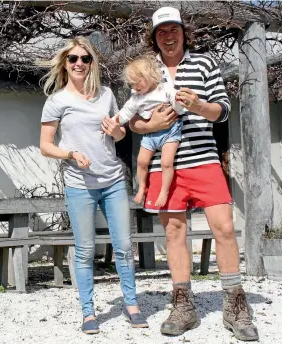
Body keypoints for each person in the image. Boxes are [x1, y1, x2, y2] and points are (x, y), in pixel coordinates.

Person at [129, 7, 259, 341]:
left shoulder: (203, 63)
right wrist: (151, 125)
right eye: (161, 32)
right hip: (163, 165)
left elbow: (223, 110)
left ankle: (235, 304)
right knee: (174, 233)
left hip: (203, 159)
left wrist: (199, 106)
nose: (168, 37)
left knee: (225, 228)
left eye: (173, 30)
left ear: (185, 33)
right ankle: (183, 304)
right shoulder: (147, 68)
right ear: (154, 37)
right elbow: (133, 119)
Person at [39, 36, 148, 334]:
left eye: (85, 59)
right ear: (65, 63)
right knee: (85, 250)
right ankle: (88, 313)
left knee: (125, 246)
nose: (78, 63)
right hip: (79, 184)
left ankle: (131, 304)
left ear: (92, 63)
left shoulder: (106, 94)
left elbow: (120, 135)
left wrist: (118, 131)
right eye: (73, 58)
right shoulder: (58, 100)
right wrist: (71, 154)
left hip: (113, 180)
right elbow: (45, 146)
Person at [110, 55, 185, 207]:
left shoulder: (164, 89)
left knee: (166, 163)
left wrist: (178, 105)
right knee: (141, 162)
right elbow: (126, 112)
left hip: (170, 131)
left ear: (150, 76)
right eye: (132, 84)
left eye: (138, 81)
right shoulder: (137, 98)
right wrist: (113, 122)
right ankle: (142, 187)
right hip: (150, 135)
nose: (135, 87)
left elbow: (176, 102)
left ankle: (164, 192)